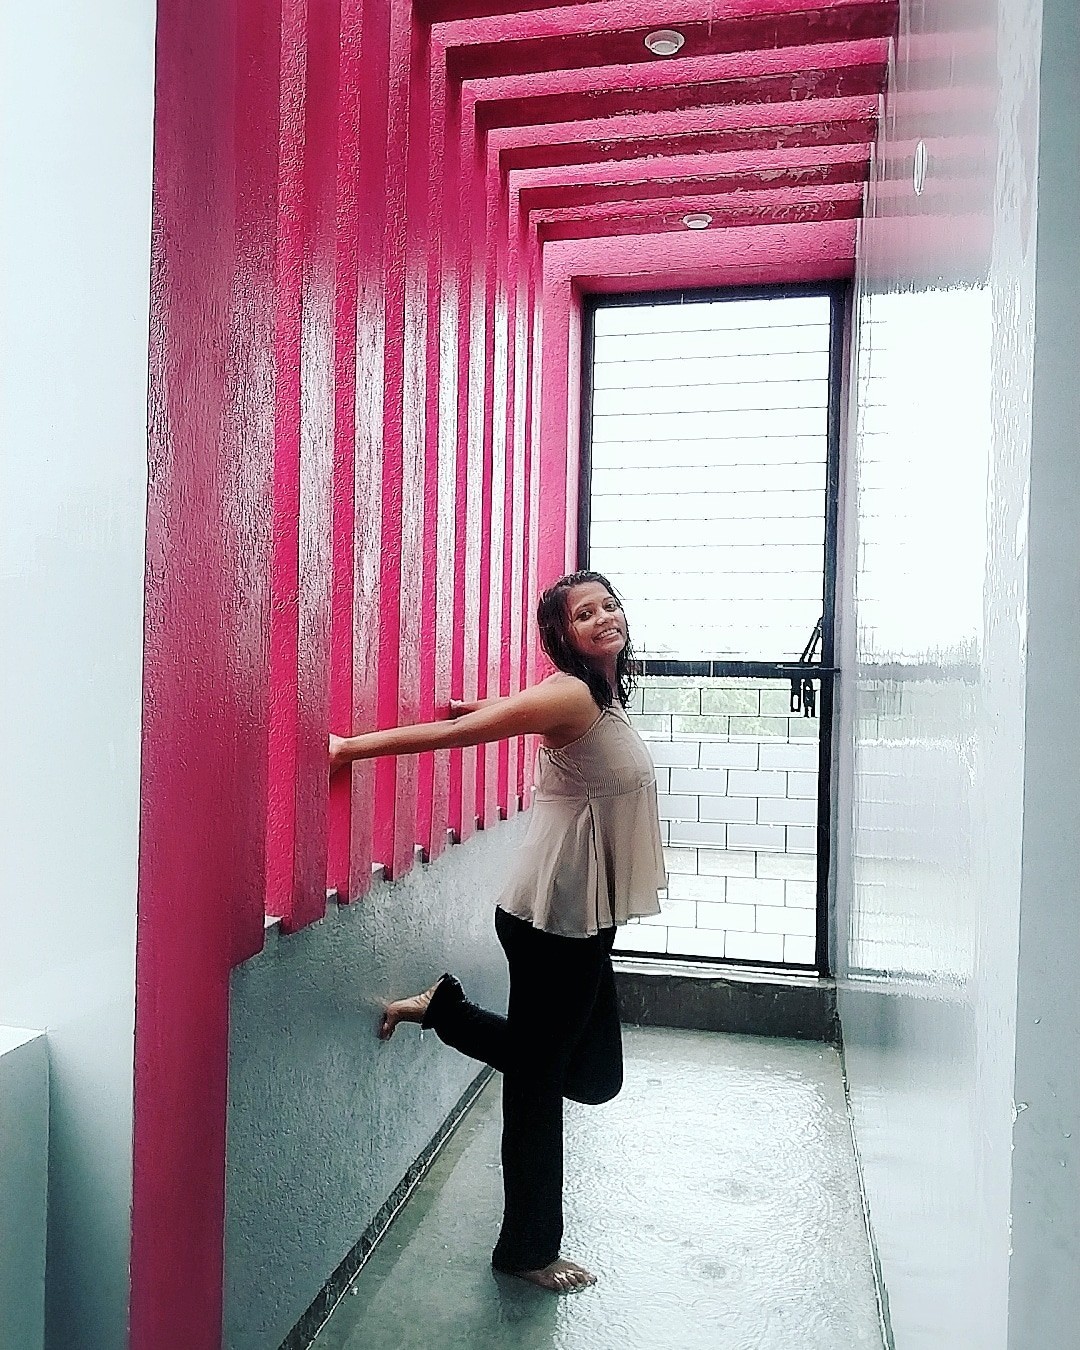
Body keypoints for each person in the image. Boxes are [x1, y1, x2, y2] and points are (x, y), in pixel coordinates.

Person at [328, 570, 666, 1292]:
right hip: (551, 923)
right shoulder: (573, 694)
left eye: (609, 604)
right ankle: (526, 1251)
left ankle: (442, 1009)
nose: (604, 616)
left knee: (592, 1076)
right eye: (584, 613)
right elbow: (458, 736)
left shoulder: (597, 693)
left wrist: (490, 705)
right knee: (537, 1088)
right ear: (562, 636)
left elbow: (526, 718)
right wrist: (348, 749)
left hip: (584, 918)